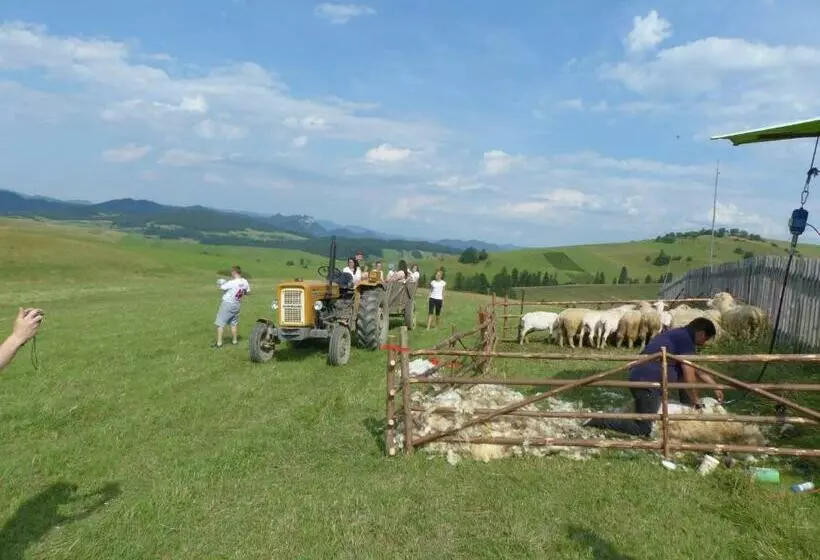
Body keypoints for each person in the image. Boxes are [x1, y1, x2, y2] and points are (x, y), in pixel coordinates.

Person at [586, 317, 721, 436]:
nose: (703, 343)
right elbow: (689, 373)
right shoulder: (685, 340)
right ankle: (601, 420)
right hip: (648, 383)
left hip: (644, 379)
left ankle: (611, 418)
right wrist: (696, 400)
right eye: (706, 339)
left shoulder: (678, 335)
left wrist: (714, 385)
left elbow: (695, 368)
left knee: (646, 416)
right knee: (643, 428)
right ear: (701, 333)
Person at [213, 266, 250, 348]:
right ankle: (234, 341)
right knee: (233, 323)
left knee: (220, 323)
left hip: (227, 304)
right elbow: (247, 292)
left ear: (234, 272)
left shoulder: (232, 282)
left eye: (232, 272)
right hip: (237, 304)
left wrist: (220, 282)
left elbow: (221, 288)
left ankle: (219, 343)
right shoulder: (245, 282)